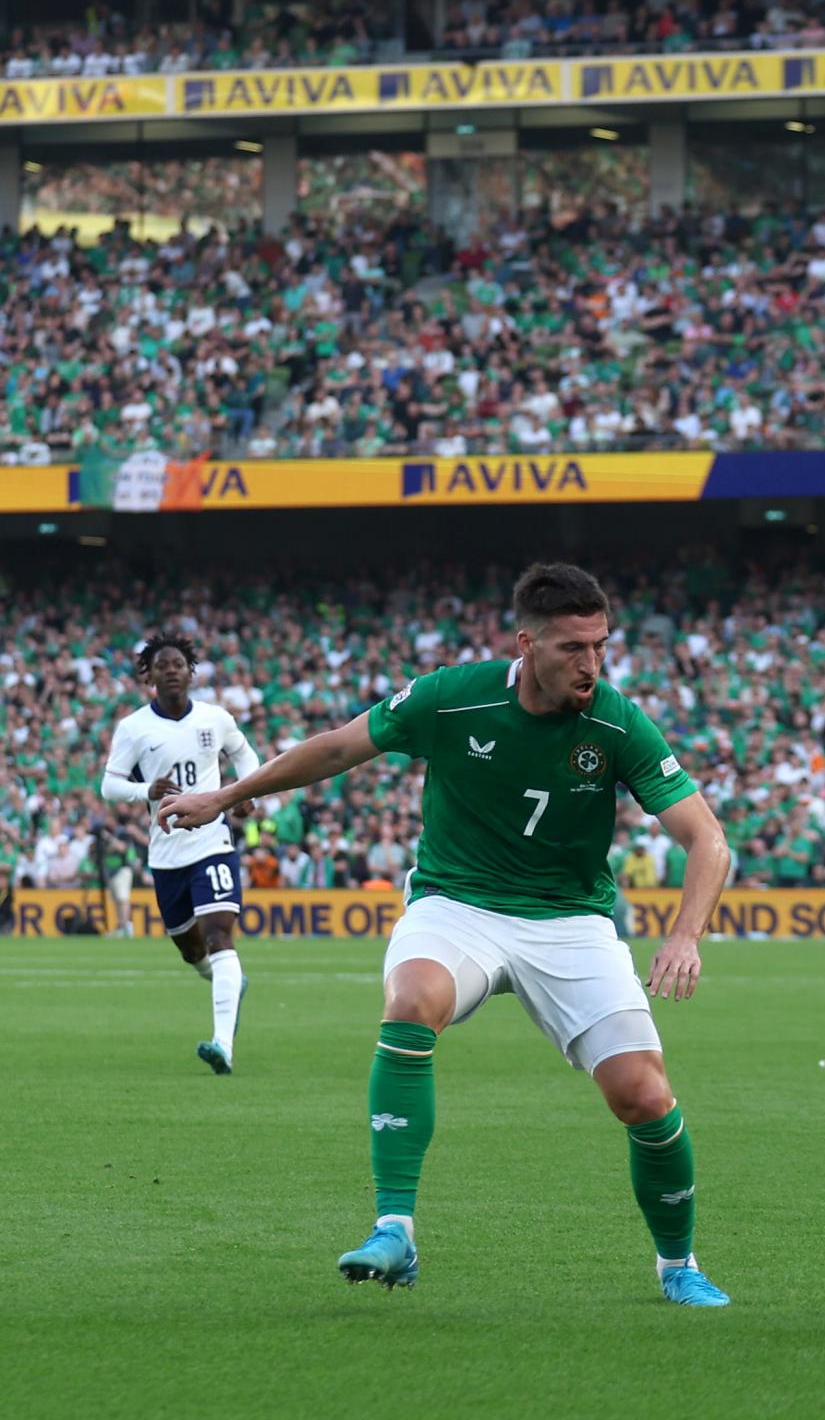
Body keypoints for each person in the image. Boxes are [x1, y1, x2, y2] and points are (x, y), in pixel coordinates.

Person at [160, 561, 733, 1308]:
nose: (591, 664)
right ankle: (394, 1229)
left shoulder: (617, 721)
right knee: (411, 1000)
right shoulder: (450, 696)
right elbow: (337, 747)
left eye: (600, 646)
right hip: (456, 902)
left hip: (570, 921)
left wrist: (686, 935)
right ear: (526, 644)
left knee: (644, 1097)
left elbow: (708, 840)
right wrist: (225, 796)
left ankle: (678, 1264)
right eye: (572, 648)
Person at [100, 631, 260, 1073]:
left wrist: (248, 794)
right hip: (166, 854)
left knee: (219, 936)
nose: (170, 671)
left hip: (212, 843)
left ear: (191, 673)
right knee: (192, 951)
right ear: (148, 675)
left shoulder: (215, 718)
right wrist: (142, 790)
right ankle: (230, 981)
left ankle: (221, 1045)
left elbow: (246, 756)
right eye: (161, 666)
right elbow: (109, 786)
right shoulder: (134, 728)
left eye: (178, 665)